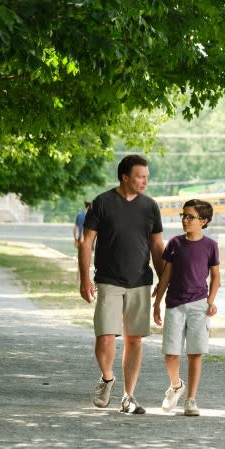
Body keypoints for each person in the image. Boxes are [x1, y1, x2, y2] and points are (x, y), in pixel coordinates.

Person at [78, 154, 164, 415]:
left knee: (134, 339)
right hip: (108, 280)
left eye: (146, 177)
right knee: (105, 336)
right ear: (125, 177)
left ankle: (128, 396)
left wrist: (163, 281)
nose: (145, 181)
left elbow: (157, 245)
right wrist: (84, 279)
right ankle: (107, 378)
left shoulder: (150, 207)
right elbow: (86, 243)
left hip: (140, 281)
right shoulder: (102, 203)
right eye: (140, 177)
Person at [152, 199, 220, 417]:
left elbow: (216, 277)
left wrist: (211, 301)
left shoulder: (211, 245)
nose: (185, 220)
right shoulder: (175, 243)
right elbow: (166, 275)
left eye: (190, 216)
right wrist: (157, 302)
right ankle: (176, 385)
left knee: (195, 354)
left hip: (199, 305)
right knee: (171, 354)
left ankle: (191, 399)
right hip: (174, 304)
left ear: (203, 221)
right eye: (184, 215)